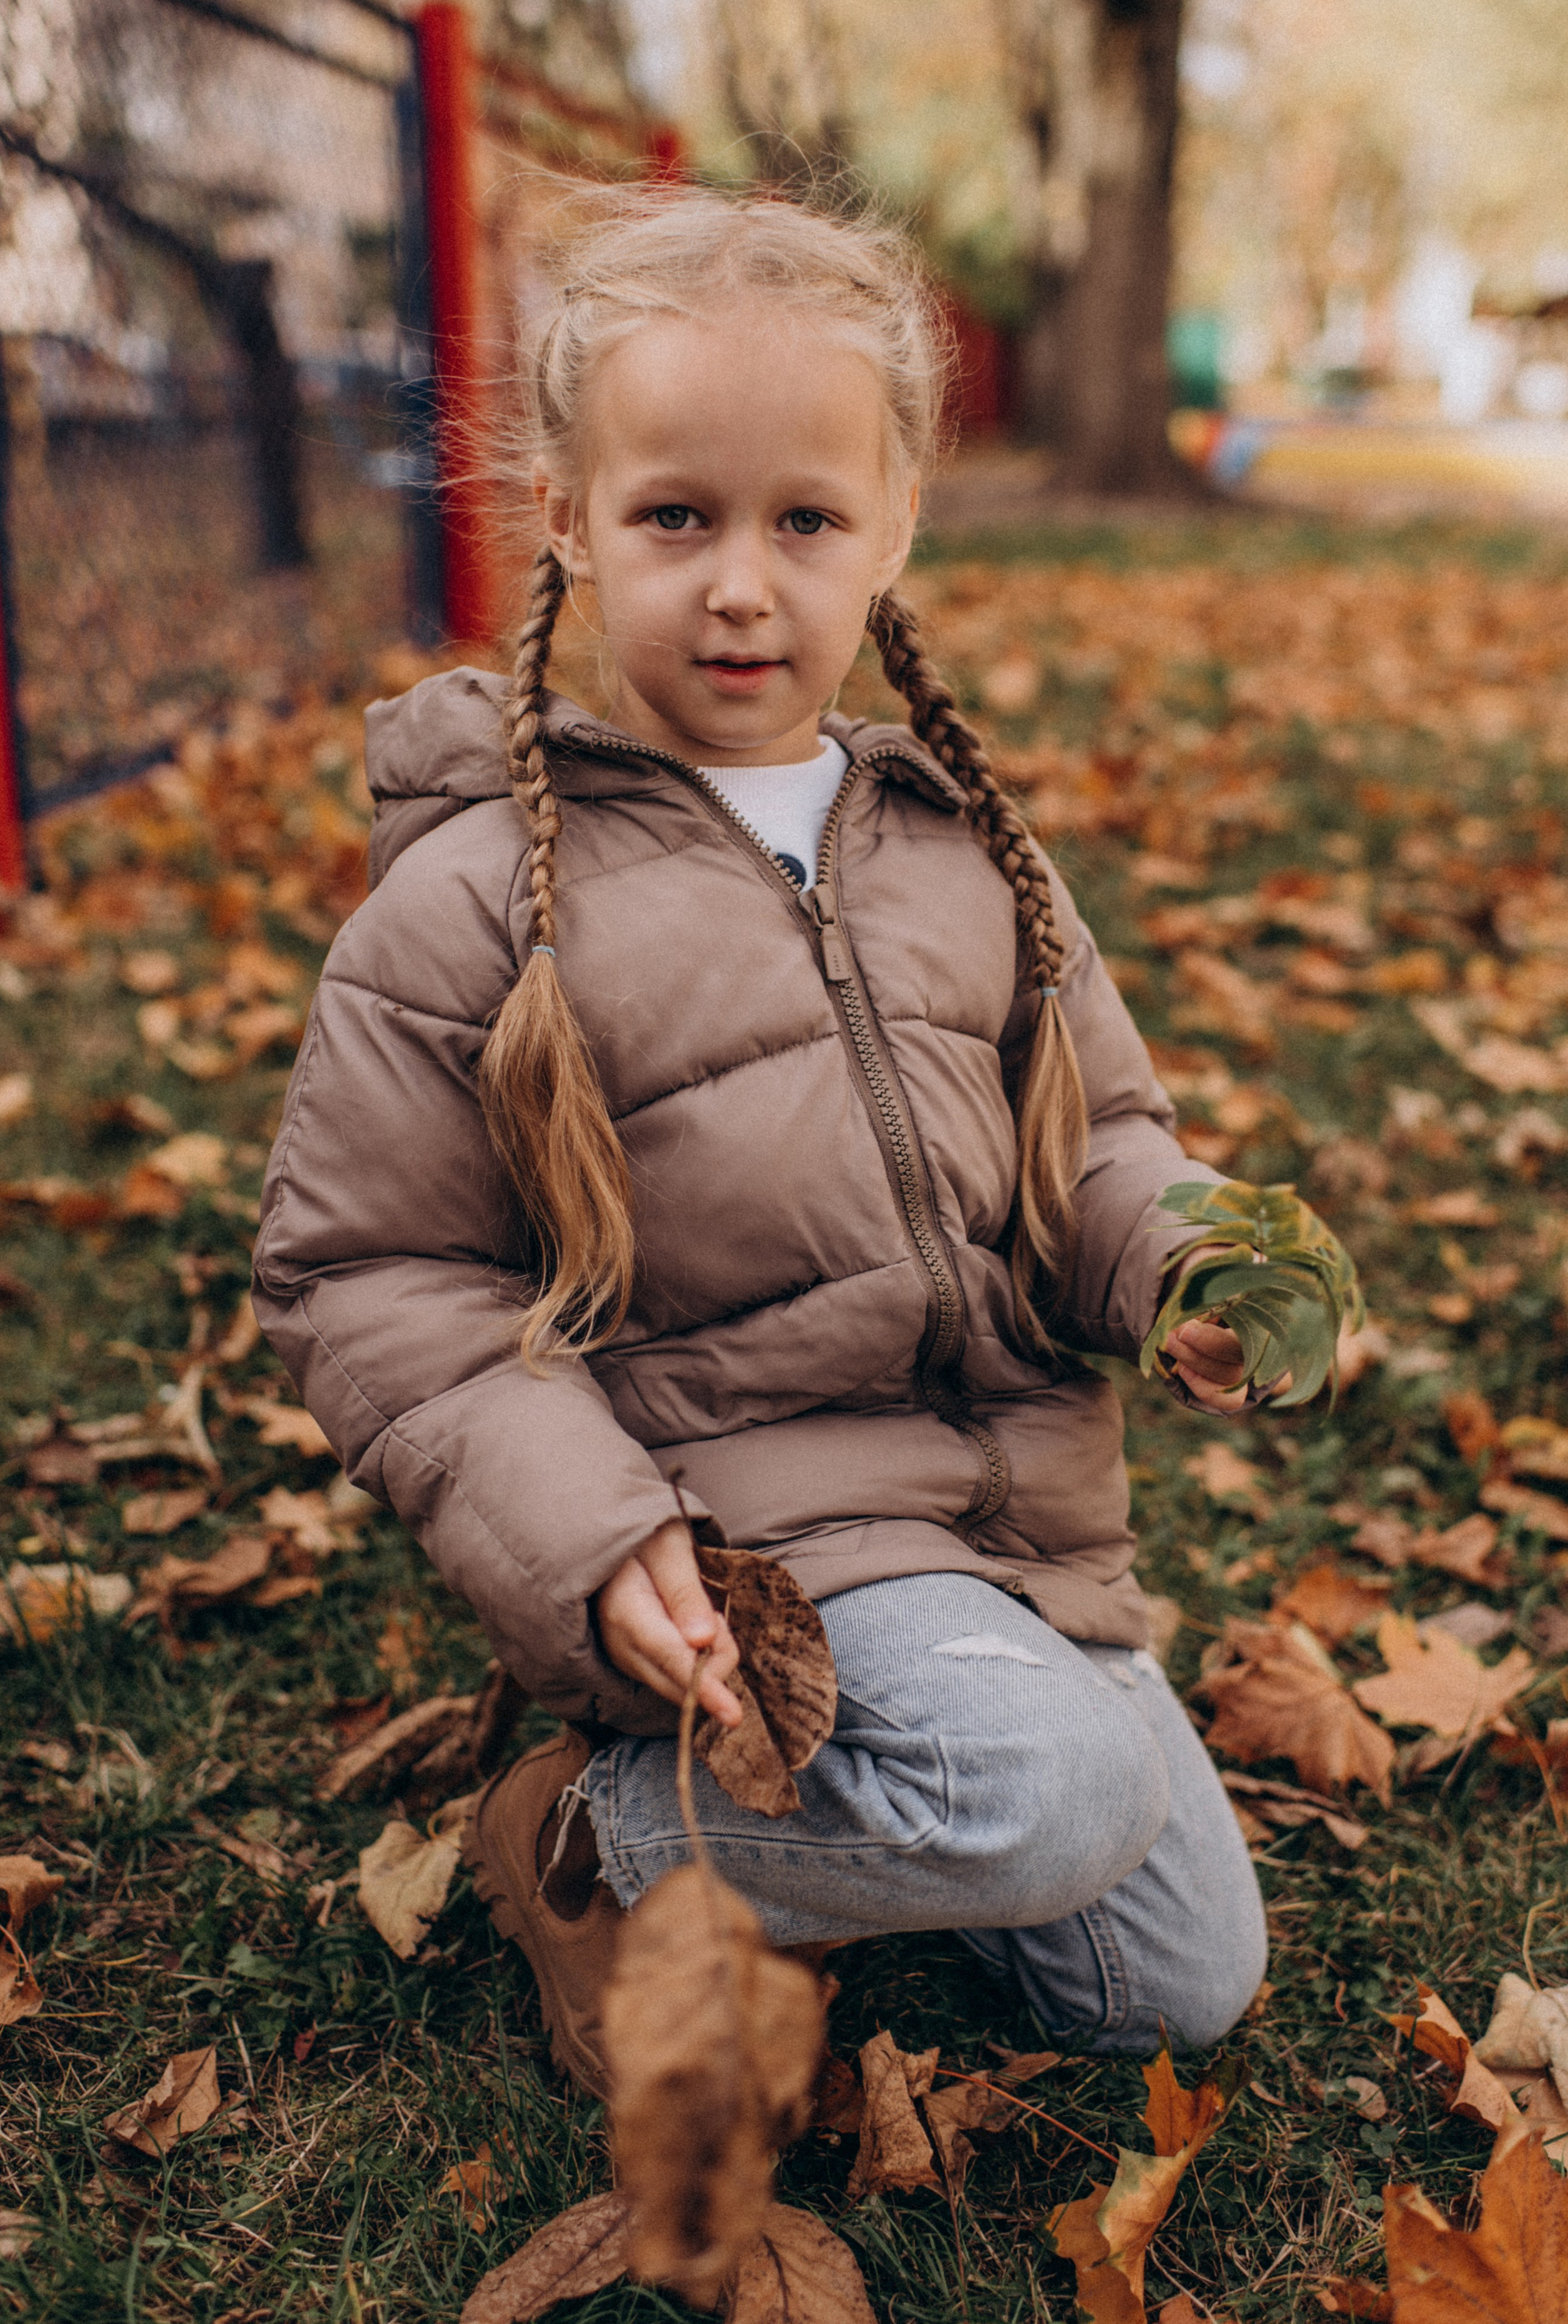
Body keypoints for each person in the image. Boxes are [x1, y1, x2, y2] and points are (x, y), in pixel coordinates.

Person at [253, 185, 1270, 2098]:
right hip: (741, 1524)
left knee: (1177, 1986)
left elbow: (1101, 1134)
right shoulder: (482, 896)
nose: (743, 583)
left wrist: (1184, 1254)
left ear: (893, 524)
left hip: (1011, 1511)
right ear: (569, 516)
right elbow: (365, 1275)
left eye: (805, 520)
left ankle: (890, 1783)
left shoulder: (964, 845)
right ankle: (588, 1836)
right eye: (676, 518)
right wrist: (599, 1530)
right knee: (1052, 1794)